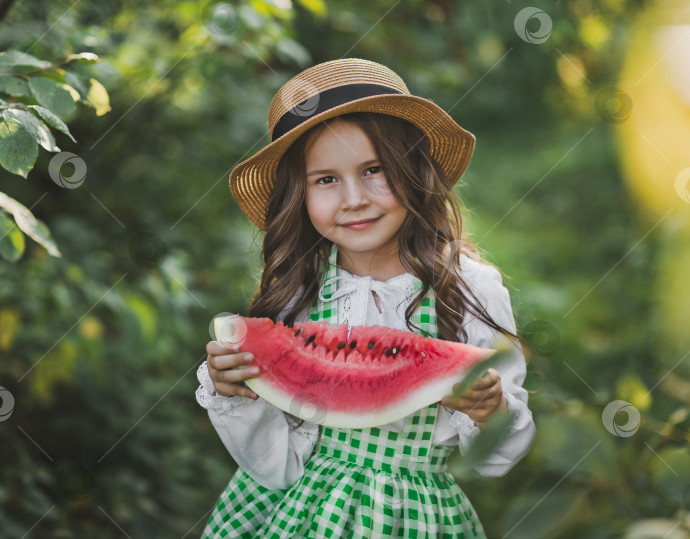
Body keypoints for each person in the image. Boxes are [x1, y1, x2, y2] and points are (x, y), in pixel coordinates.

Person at [195, 58, 536, 538]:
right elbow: (278, 469)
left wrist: (489, 410)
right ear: (300, 195)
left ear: (413, 170)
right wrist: (236, 395)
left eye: (374, 170)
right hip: (297, 515)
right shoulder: (300, 292)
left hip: (413, 517)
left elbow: (496, 460)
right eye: (326, 179)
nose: (354, 198)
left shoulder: (469, 287)